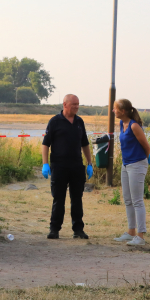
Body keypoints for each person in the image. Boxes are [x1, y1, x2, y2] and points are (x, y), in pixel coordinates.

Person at [41, 94, 94, 239]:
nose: (77, 107)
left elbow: (85, 144)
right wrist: (45, 164)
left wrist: (90, 163)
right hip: (59, 167)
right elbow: (45, 144)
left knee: (77, 199)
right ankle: (54, 229)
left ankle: (78, 230)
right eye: (74, 104)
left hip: (77, 166)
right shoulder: (55, 122)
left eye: (78, 104)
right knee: (58, 198)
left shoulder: (79, 122)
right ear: (65, 104)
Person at [112, 98, 150, 246]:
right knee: (128, 199)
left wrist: (145, 159)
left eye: (115, 109)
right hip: (126, 165)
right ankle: (131, 232)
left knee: (137, 200)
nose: (113, 111)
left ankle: (140, 236)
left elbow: (146, 146)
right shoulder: (122, 123)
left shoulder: (134, 126)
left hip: (137, 165)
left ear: (123, 111)